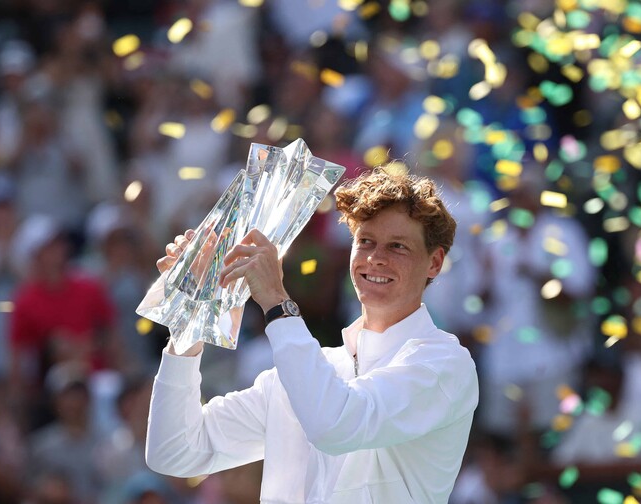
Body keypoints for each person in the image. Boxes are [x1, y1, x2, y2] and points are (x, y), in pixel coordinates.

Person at [145, 168, 480, 503]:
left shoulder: (445, 363)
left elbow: (334, 426)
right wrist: (194, 312)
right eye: (365, 241)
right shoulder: (308, 371)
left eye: (397, 246)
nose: (375, 259)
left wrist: (276, 301)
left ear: (434, 262)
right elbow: (174, 451)